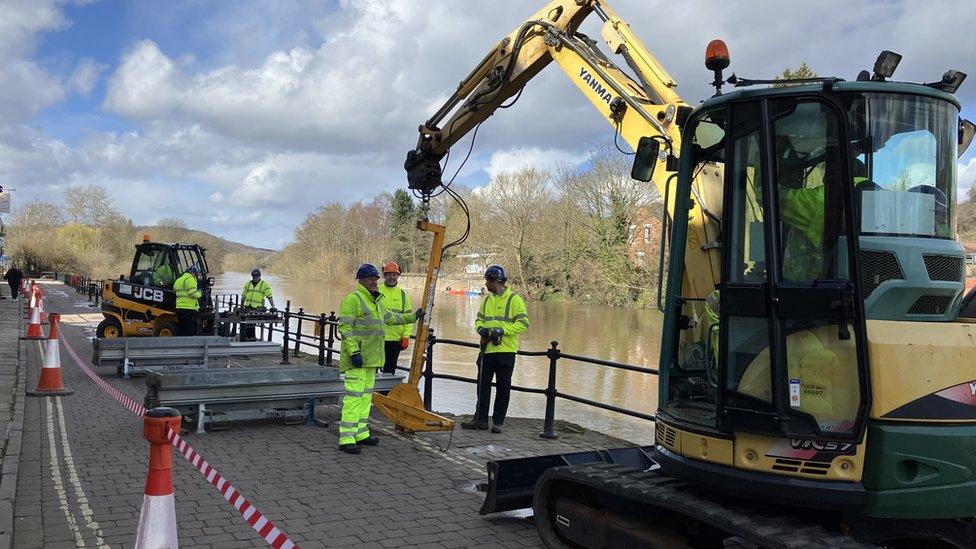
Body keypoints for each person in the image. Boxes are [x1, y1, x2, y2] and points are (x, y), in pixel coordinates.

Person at [337, 263, 423, 454]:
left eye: (376, 279)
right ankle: (347, 438)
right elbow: (345, 328)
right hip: (358, 359)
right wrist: (353, 352)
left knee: (365, 397)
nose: (375, 282)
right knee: (354, 398)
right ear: (361, 280)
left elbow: (392, 318)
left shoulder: (377, 301)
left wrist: (413, 317)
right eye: (370, 279)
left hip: (371, 360)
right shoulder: (354, 299)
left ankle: (360, 432)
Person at [462, 265, 529, 434]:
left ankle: (498, 422)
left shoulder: (514, 300)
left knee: (503, 387)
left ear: (494, 281)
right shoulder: (487, 300)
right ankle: (481, 420)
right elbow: (479, 320)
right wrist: (481, 329)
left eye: (487, 280)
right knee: (482, 386)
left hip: (506, 351)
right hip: (487, 350)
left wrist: (502, 330)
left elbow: (523, 324)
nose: (485, 284)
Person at [377, 261, 412, 374]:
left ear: (398, 276)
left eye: (394, 275)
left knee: (389, 372)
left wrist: (406, 336)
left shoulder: (403, 295)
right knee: (372, 371)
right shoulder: (376, 291)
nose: (392, 277)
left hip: (395, 340)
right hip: (377, 338)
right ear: (385, 276)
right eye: (389, 274)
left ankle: (386, 392)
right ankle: (371, 392)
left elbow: (408, 318)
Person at [241, 268, 276, 341]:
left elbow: (269, 296)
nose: (255, 278)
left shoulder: (264, 284)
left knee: (252, 323)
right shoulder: (248, 284)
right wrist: (241, 306)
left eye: (256, 277)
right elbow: (243, 295)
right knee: (246, 323)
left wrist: (273, 306)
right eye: (254, 277)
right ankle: (247, 338)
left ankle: (252, 338)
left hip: (257, 308)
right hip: (248, 307)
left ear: (259, 276)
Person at [173, 265, 202, 336]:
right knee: (189, 330)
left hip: (179, 307)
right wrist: (200, 294)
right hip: (189, 308)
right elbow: (193, 293)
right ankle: (189, 345)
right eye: (196, 274)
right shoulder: (190, 280)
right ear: (193, 273)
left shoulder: (178, 280)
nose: (196, 276)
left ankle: (180, 344)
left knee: (181, 328)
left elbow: (174, 289)